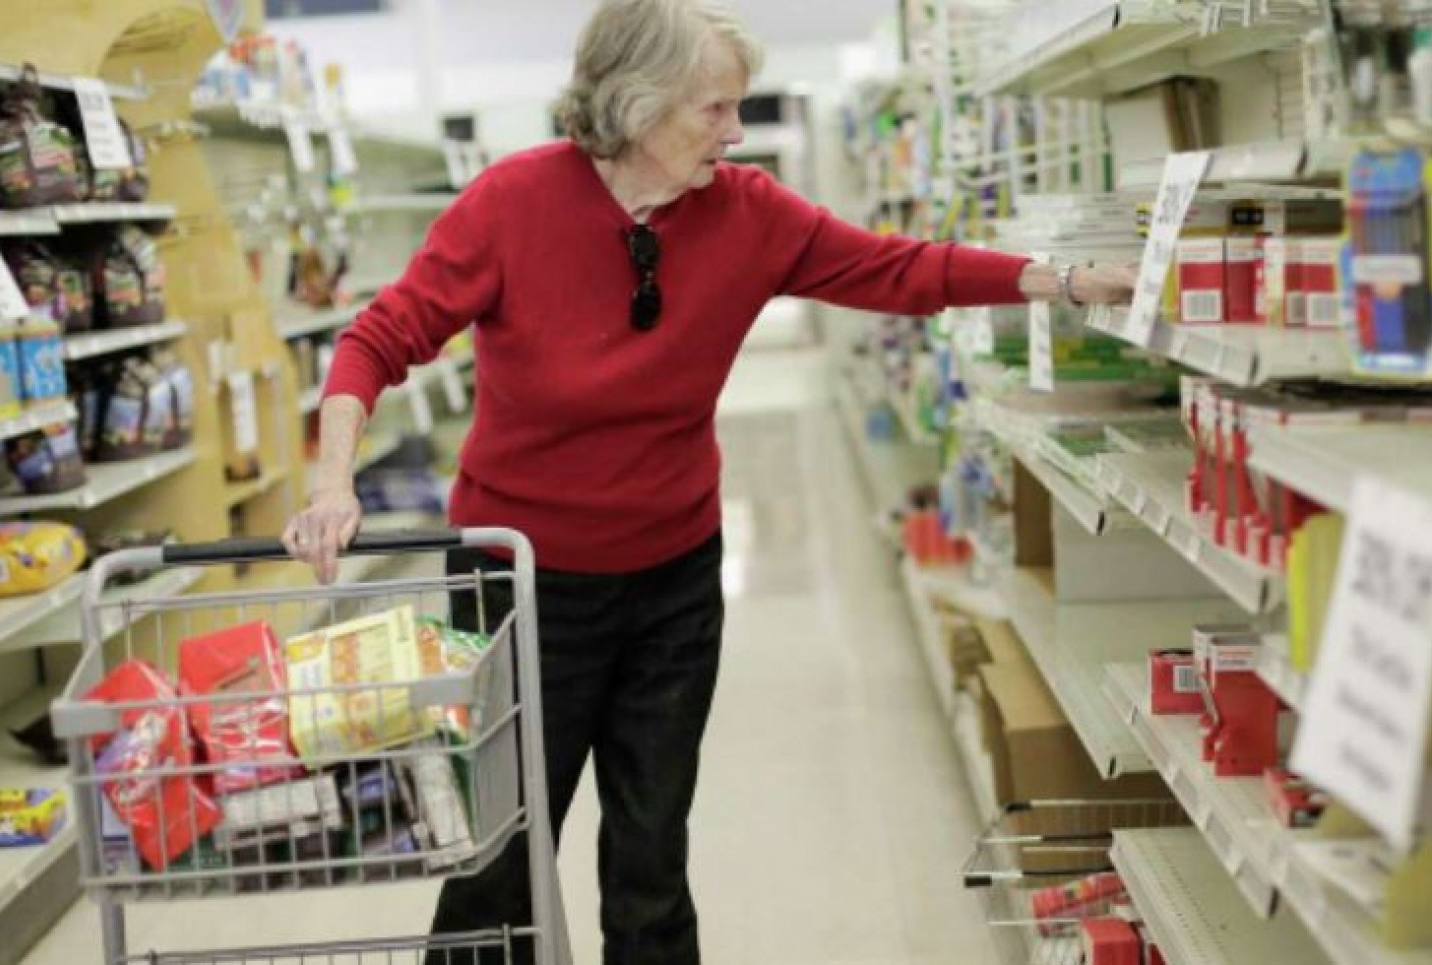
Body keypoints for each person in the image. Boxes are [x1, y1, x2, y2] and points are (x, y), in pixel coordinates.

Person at [283, 0, 1136, 961]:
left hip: (674, 581)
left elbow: (900, 268)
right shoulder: (511, 204)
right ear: (639, 106)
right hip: (517, 588)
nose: (736, 134)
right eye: (715, 109)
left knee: (650, 854)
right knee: (499, 858)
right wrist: (332, 483)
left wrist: (1058, 280)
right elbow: (377, 338)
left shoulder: (747, 213)